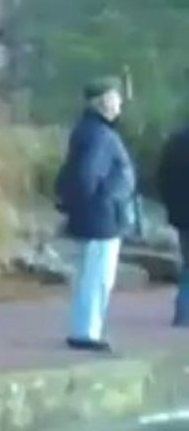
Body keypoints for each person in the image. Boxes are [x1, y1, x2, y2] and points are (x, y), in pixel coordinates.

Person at [55, 76, 136, 353]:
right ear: (102, 102)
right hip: (101, 219)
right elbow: (87, 176)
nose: (120, 103)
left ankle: (86, 328)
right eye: (115, 97)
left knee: (92, 275)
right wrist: (105, 201)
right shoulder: (101, 135)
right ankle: (87, 332)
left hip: (96, 216)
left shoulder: (87, 130)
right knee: (97, 277)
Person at [157, 124, 189, 327]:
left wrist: (171, 206)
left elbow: (162, 177)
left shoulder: (175, 142)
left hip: (181, 214)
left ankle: (183, 312)